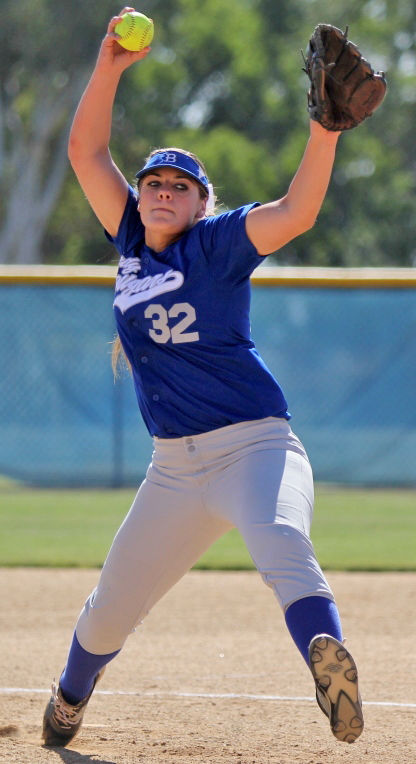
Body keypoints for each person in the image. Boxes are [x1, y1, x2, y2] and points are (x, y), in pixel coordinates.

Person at [42, 6, 364, 749]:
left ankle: (330, 665)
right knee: (109, 609)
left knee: (284, 541)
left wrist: (324, 132)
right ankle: (67, 700)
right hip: (175, 470)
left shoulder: (215, 246)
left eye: (179, 186)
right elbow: (86, 151)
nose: (160, 190)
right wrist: (109, 68)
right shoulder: (128, 240)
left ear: (200, 205)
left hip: (256, 447)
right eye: (153, 180)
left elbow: (297, 211)